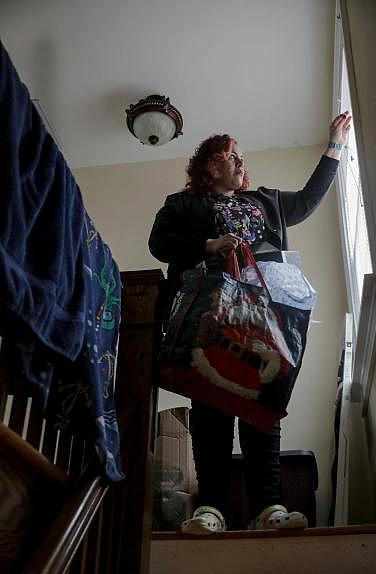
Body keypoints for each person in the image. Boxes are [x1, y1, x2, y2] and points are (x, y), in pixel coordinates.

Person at [149, 112, 352, 534]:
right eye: (233, 156)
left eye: (242, 158)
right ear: (211, 165)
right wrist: (208, 244)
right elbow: (160, 244)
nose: (242, 164)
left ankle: (269, 509)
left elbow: (310, 198)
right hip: (208, 309)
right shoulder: (183, 204)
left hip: (264, 313)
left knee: (263, 403)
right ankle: (212, 510)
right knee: (209, 403)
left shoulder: (266, 201)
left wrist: (335, 146)